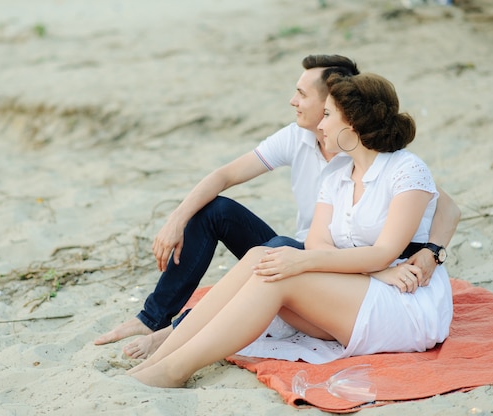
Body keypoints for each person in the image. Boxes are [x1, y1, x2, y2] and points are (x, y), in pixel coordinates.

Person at [94, 55, 460, 359]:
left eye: (302, 94)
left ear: (334, 103)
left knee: (274, 251)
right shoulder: (297, 137)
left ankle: (176, 333)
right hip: (318, 250)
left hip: (336, 259)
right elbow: (224, 175)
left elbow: (446, 207)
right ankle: (153, 318)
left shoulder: (380, 154)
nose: (293, 101)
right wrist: (176, 219)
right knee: (217, 212)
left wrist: (431, 252)